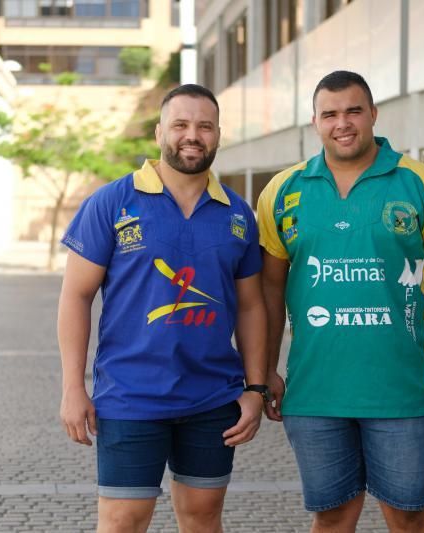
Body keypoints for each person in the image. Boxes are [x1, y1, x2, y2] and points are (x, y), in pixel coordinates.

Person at [257, 71, 424, 533]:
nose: (343, 123)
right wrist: (263, 372)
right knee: (333, 517)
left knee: (410, 517)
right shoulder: (282, 191)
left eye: (354, 111)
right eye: (330, 114)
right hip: (314, 393)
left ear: (373, 114)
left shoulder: (421, 183)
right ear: (314, 123)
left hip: (399, 392)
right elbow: (267, 291)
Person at [57, 84, 269, 533]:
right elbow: (76, 296)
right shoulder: (111, 202)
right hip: (130, 396)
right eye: (181, 125)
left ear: (217, 135)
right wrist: (72, 388)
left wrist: (256, 387)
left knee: (202, 518)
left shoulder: (237, 213)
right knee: (122, 523)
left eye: (204, 126)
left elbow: (251, 306)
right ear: (159, 133)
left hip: (213, 397)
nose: (192, 135)